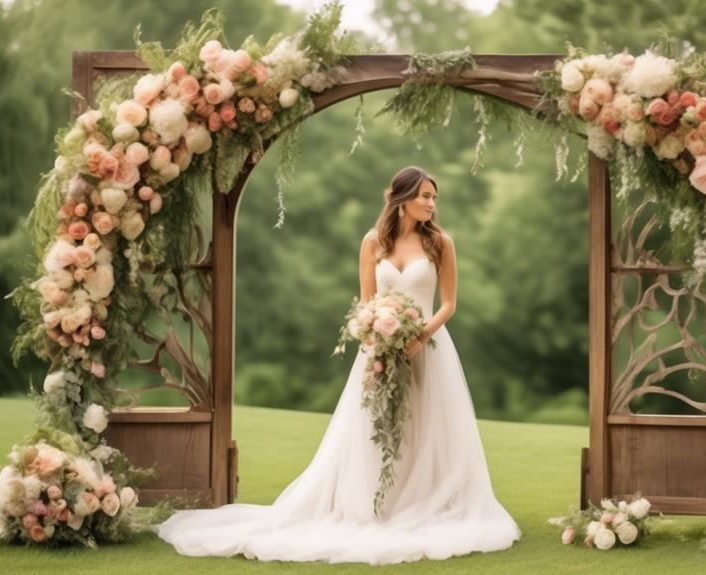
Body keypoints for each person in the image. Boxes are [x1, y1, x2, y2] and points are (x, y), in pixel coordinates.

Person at [155, 166, 521, 564]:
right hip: (379, 350)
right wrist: (374, 340)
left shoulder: (441, 244)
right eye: (424, 196)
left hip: (428, 350)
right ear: (400, 198)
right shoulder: (373, 242)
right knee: (372, 427)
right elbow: (366, 301)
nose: (432, 204)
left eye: (434, 197)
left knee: (427, 425)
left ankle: (423, 501)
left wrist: (420, 336)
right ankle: (374, 505)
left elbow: (449, 303)